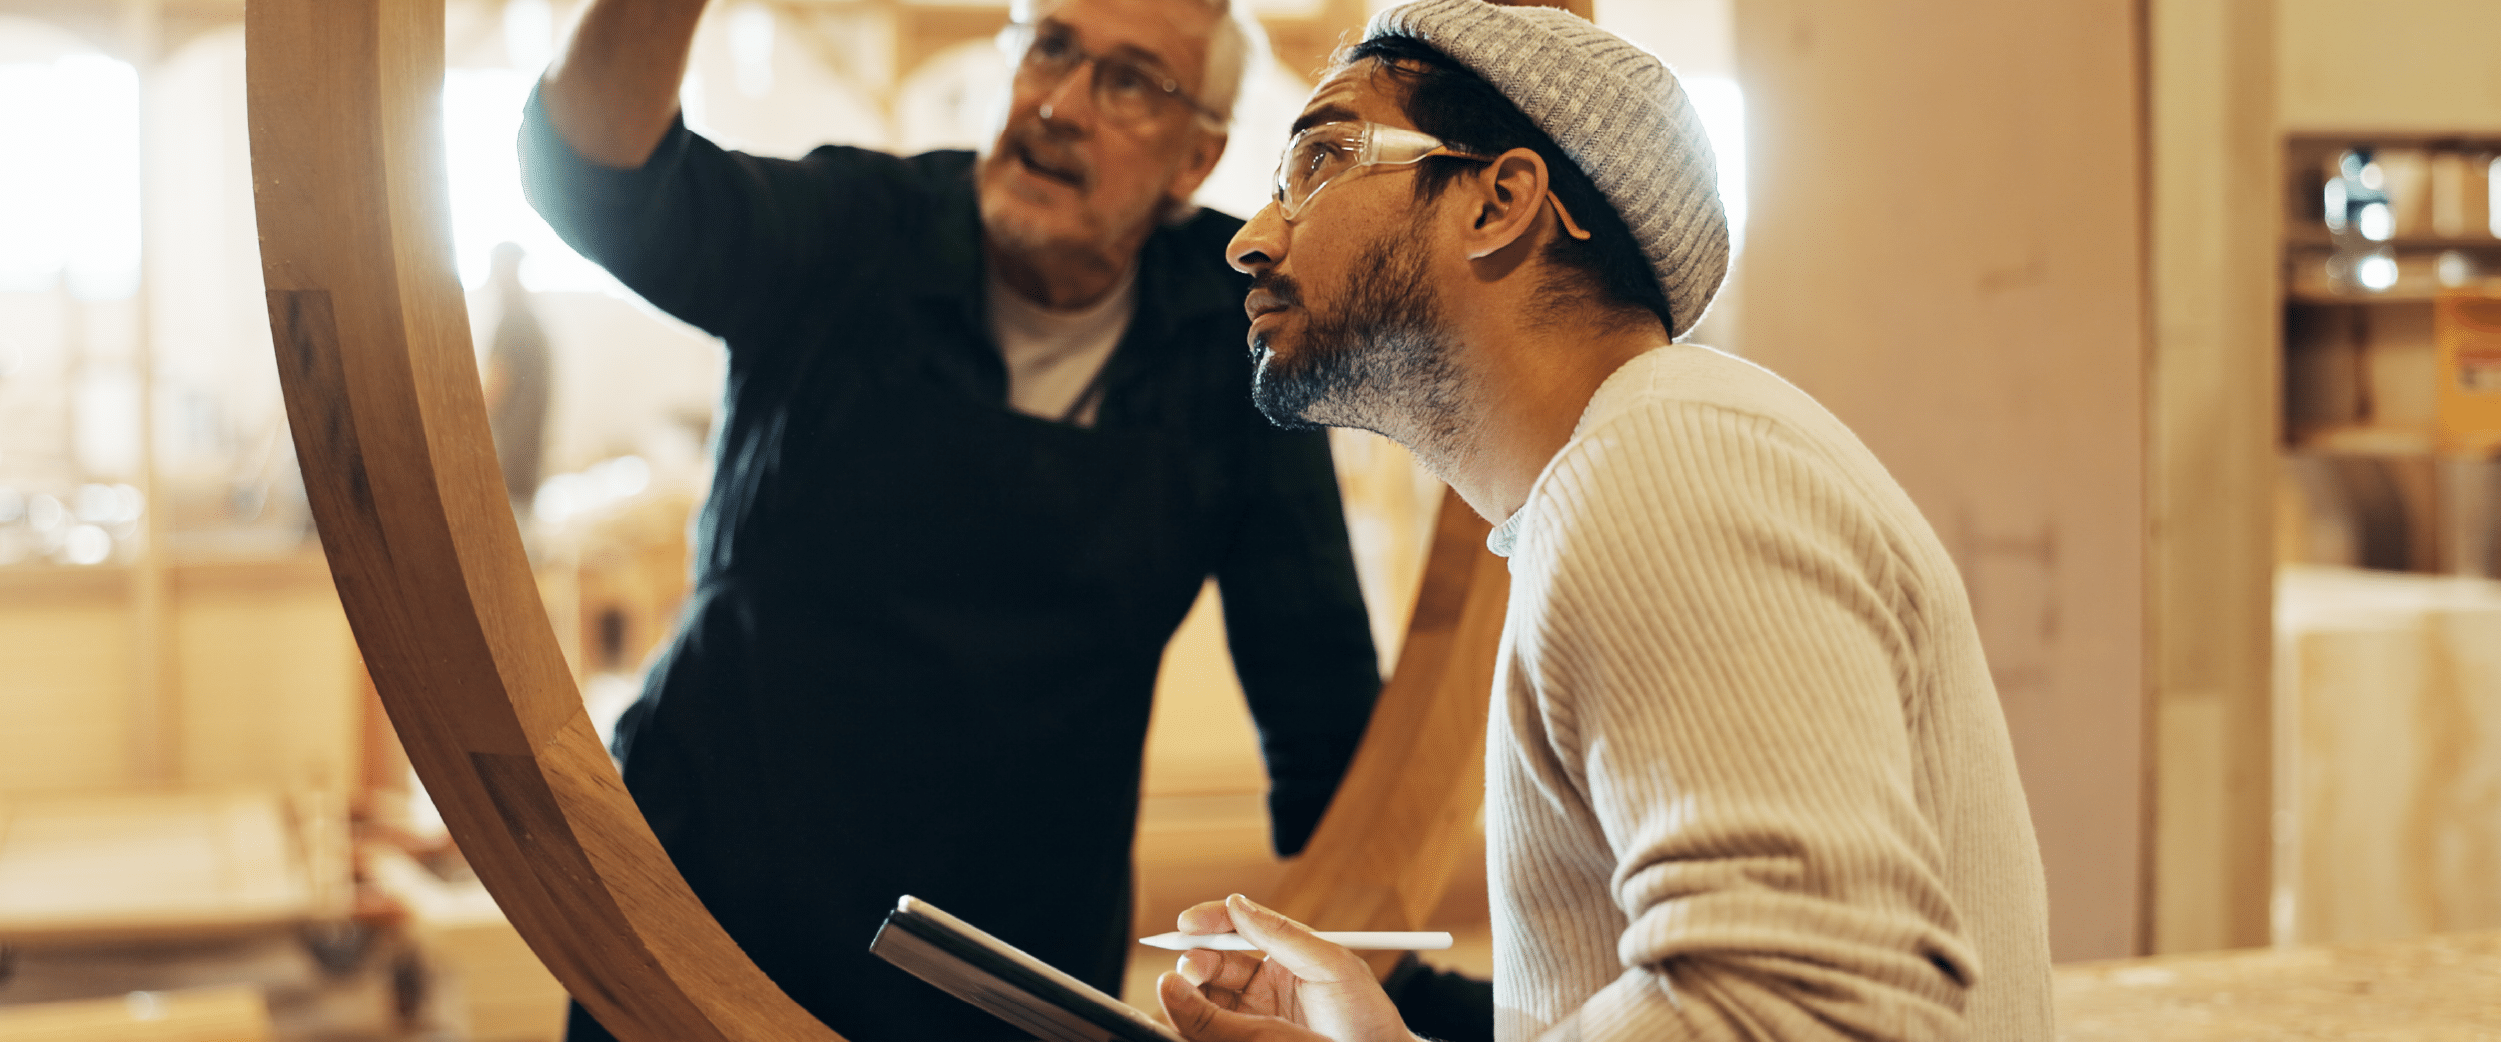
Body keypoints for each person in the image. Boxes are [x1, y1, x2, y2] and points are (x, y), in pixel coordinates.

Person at [1154, 2, 2057, 1039]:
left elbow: (1797, 1007)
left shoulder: (1663, 464)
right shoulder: (1614, 475)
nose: (1251, 238)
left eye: (1319, 159)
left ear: (1498, 202)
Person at [518, 0, 1386, 1039]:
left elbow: (1323, 722)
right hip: (705, 910)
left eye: (1128, 82)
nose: (1060, 105)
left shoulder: (1231, 328)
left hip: (999, 971)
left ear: (1194, 162)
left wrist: (1361, 990)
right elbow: (600, 183)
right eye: (1051, 48)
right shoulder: (855, 226)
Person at [480, 241, 553, 511]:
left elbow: (494, 390)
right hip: (525, 454)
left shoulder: (514, 323)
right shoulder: (527, 320)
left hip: (513, 456)